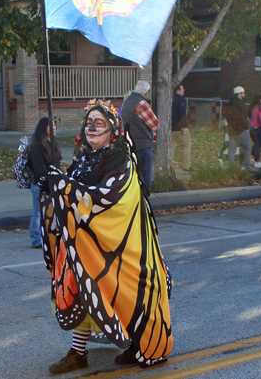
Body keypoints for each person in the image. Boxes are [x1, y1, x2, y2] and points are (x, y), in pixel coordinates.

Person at [38, 99, 172, 374]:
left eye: (99, 123)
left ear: (112, 129)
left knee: (129, 292)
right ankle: (78, 353)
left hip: (122, 244)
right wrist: (50, 180)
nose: (92, 128)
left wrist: (65, 187)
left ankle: (141, 344)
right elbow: (72, 190)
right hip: (86, 243)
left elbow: (108, 197)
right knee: (83, 291)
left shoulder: (120, 159)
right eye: (89, 123)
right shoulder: (84, 156)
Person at [27, 117, 61, 248]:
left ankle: (49, 235)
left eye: (54, 126)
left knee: (51, 211)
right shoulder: (37, 145)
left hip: (53, 182)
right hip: (40, 183)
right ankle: (36, 239)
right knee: (37, 212)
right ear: (43, 128)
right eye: (51, 126)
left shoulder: (52, 143)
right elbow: (40, 168)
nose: (54, 129)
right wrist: (48, 179)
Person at [121, 80, 159, 190]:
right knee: (145, 178)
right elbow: (155, 123)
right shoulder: (141, 103)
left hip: (130, 143)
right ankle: (144, 201)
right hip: (143, 145)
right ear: (146, 92)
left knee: (133, 177)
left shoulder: (127, 102)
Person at [224, 86, 254, 172]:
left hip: (232, 130)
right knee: (247, 147)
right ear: (239, 94)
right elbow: (244, 117)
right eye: (243, 93)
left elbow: (226, 115)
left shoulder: (229, 104)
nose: (244, 94)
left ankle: (231, 166)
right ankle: (247, 166)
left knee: (232, 149)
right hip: (241, 129)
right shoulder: (242, 104)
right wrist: (246, 127)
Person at [171, 84, 193, 172]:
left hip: (171, 128)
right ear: (178, 90)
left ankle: (167, 166)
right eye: (183, 89)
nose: (184, 90)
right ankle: (186, 166)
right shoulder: (181, 100)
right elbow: (182, 114)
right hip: (179, 128)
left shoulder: (170, 99)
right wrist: (184, 126)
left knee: (172, 148)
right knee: (186, 145)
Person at [249, 94, 261, 168]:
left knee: (256, 144)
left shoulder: (253, 107)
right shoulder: (260, 108)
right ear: (259, 99)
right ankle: (256, 161)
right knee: (258, 146)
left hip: (252, 129)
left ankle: (250, 158)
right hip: (259, 129)